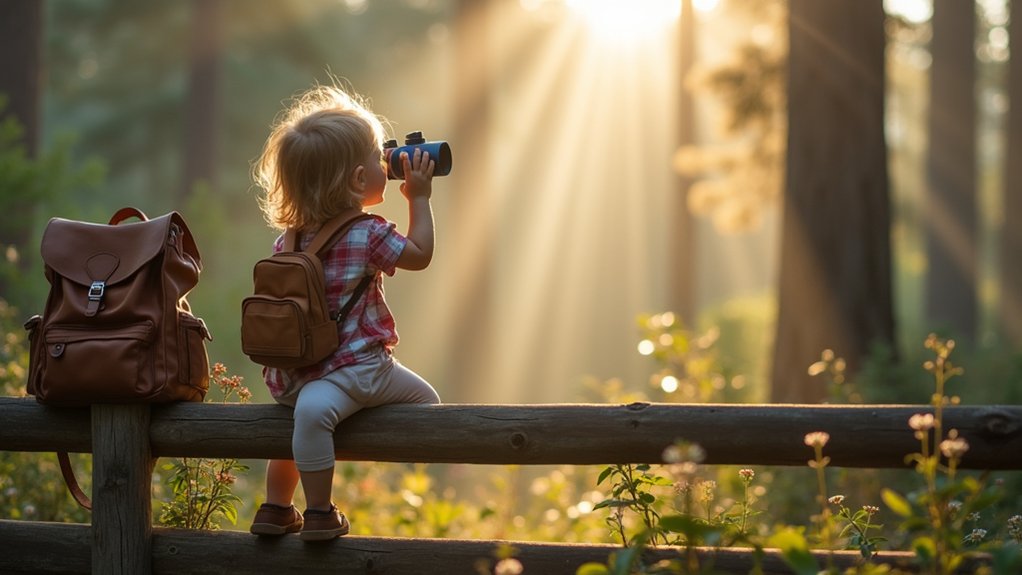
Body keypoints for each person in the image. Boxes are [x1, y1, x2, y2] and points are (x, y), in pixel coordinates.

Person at [248, 82, 441, 542]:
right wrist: (418, 198)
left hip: (296, 372)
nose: (386, 165)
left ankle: (277, 507)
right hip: (359, 368)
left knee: (306, 418)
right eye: (379, 159)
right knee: (429, 409)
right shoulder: (368, 233)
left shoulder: (288, 240)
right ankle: (319, 513)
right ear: (358, 181)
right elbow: (419, 255)